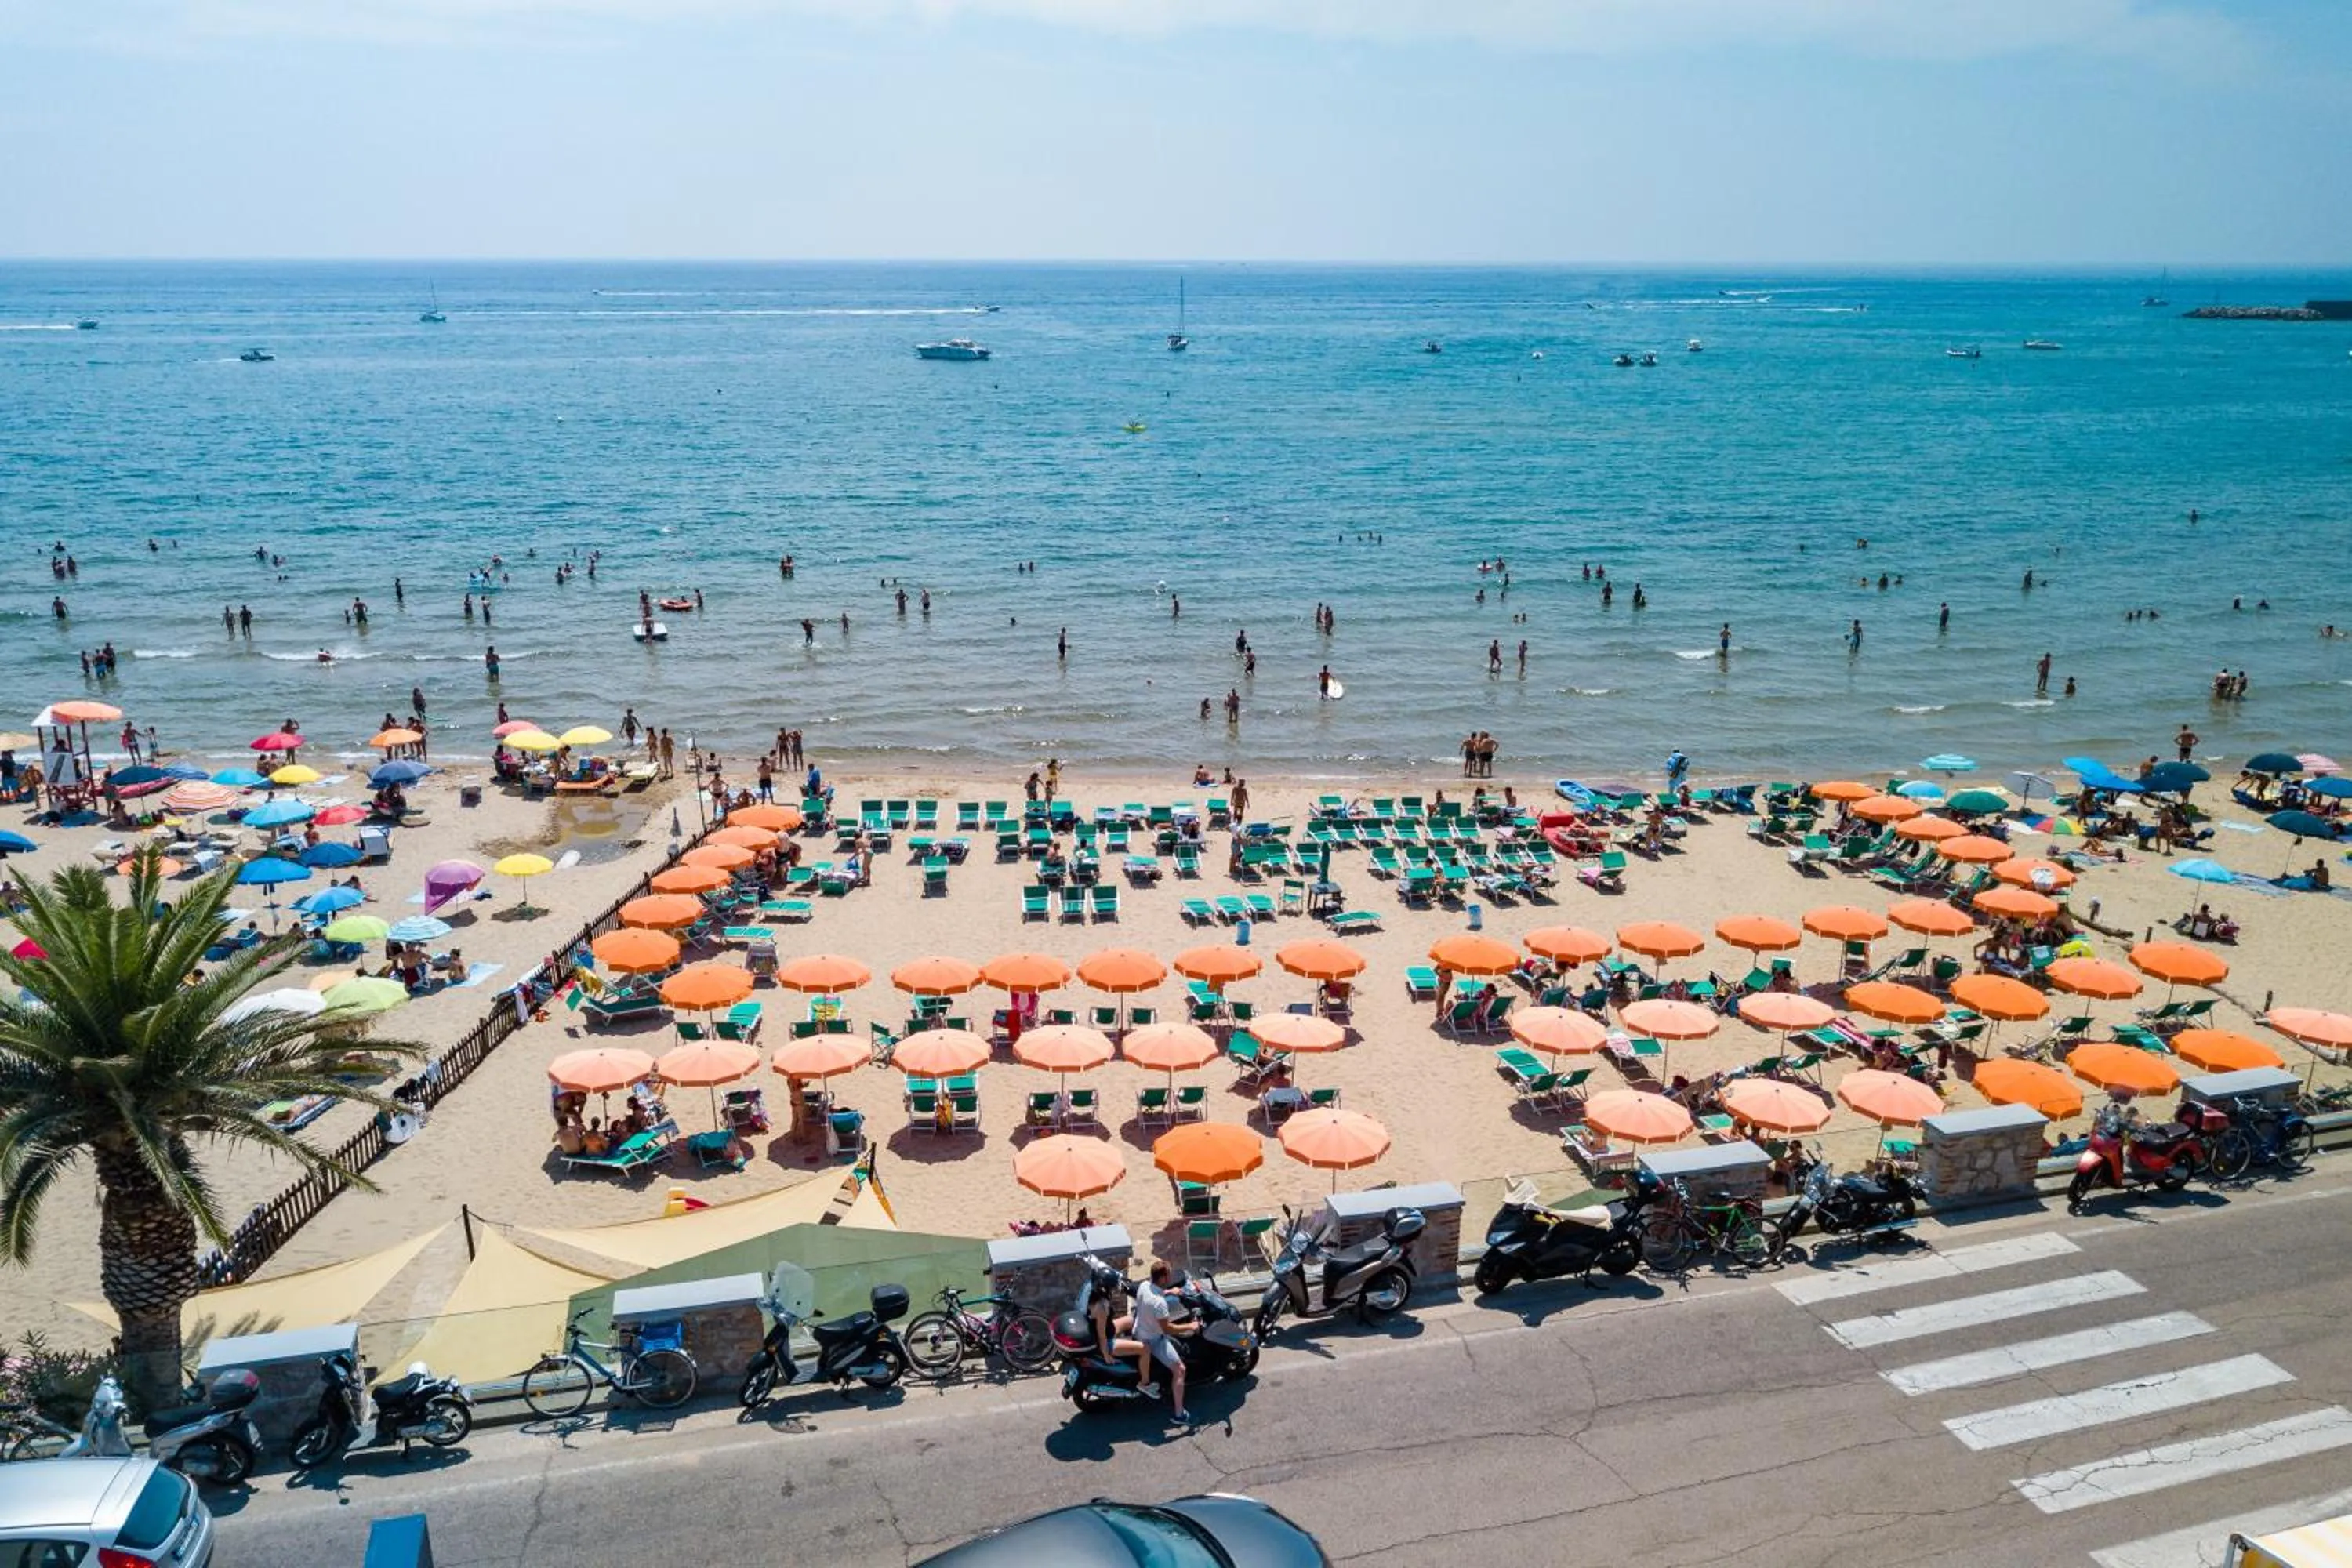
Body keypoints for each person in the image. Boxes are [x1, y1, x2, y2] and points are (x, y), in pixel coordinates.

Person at [1129, 1258, 1196, 1421]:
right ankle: (1179, 1414)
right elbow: (1168, 1329)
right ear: (1163, 1278)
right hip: (1153, 1340)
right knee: (1180, 1370)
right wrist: (1191, 1326)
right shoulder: (1160, 1304)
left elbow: (1155, 1294)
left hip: (1138, 1330)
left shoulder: (1145, 1285)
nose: (1171, 1277)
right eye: (1169, 1275)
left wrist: (1170, 1292)